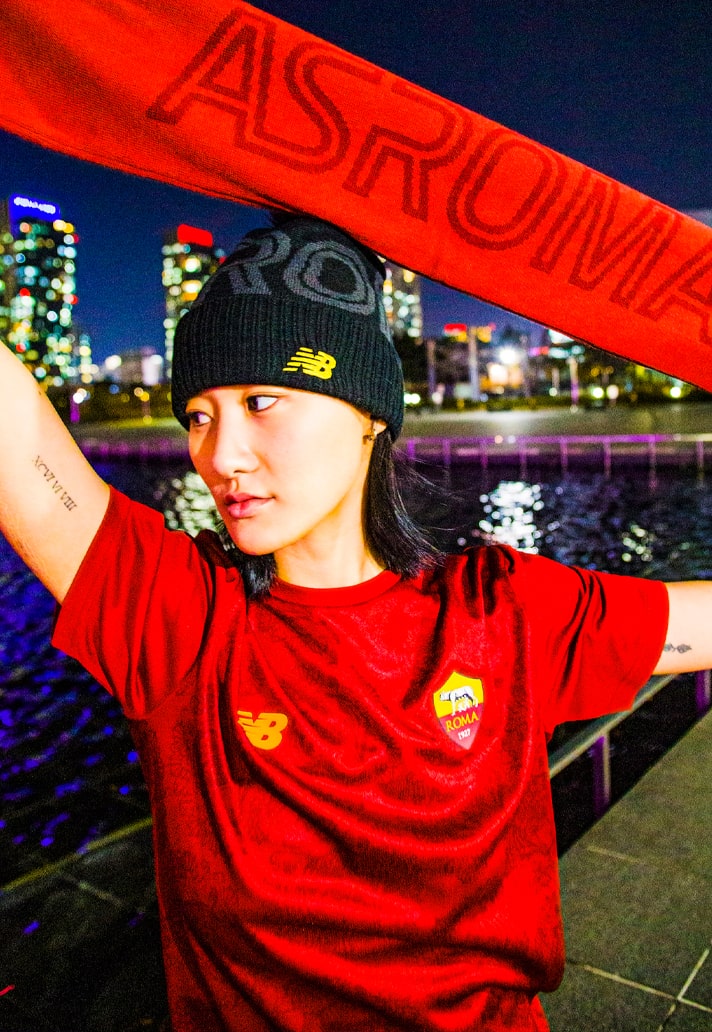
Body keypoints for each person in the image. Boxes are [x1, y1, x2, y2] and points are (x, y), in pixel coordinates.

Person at [1, 213, 711, 1032]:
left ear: (367, 411)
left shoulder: (504, 614)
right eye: (197, 415)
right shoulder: (179, 620)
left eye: (260, 401)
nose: (220, 456)